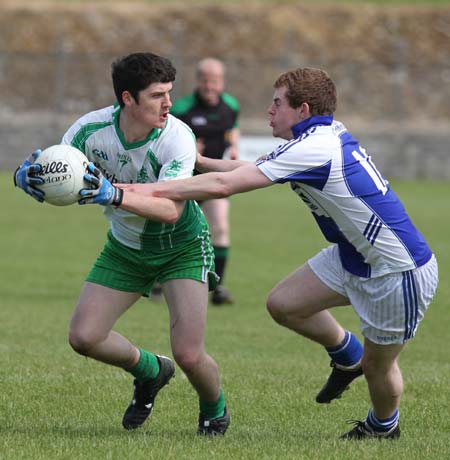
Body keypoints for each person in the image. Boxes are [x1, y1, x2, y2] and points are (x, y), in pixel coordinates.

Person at [115, 67, 438, 440]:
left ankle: (383, 427)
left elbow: (224, 185)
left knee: (379, 367)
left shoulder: (314, 147)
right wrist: (195, 161)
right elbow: (250, 168)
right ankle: (346, 354)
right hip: (353, 254)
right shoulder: (319, 135)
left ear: (302, 110)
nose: (269, 110)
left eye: (277, 103)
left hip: (396, 270)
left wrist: (135, 190)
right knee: (284, 304)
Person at [13, 52, 230, 436]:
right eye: (156, 95)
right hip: (126, 247)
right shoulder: (88, 131)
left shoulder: (176, 136)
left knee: (189, 354)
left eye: (169, 93)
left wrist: (113, 195)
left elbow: (171, 210)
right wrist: (25, 177)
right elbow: (60, 172)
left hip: (181, 246)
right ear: (127, 99)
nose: (168, 104)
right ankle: (151, 371)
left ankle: (215, 410)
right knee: (84, 337)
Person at [168, 57, 240, 305]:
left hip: (215, 178)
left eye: (215, 81)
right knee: (172, 228)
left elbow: (233, 128)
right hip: (185, 179)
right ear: (198, 80)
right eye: (206, 80)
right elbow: (166, 138)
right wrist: (187, 147)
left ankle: (218, 287)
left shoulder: (230, 105)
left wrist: (233, 147)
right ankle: (159, 278)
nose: (210, 86)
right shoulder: (182, 109)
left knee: (219, 226)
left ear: (222, 82)